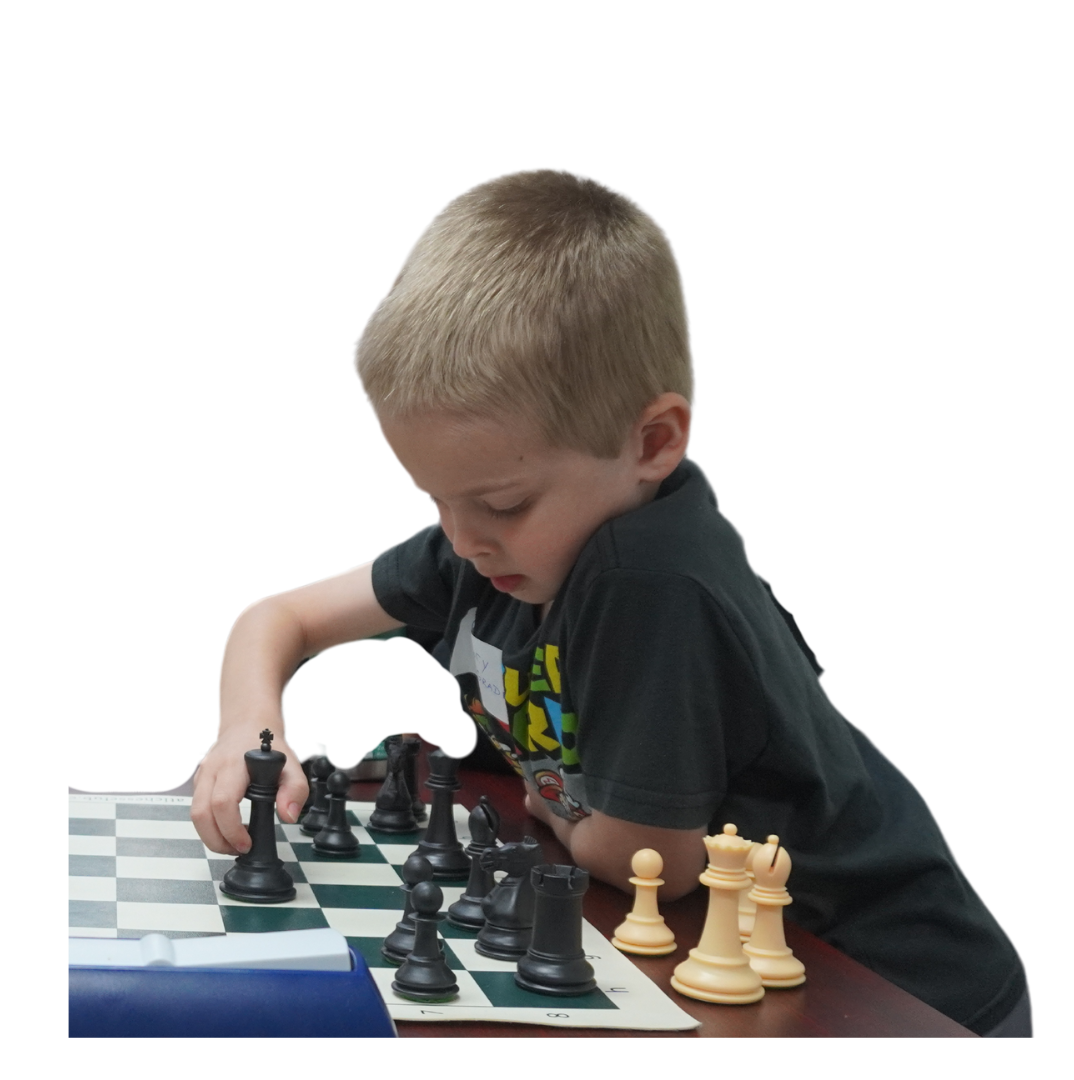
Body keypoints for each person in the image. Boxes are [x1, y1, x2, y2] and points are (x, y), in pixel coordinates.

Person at [193, 167, 1031, 1037]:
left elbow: (645, 859)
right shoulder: (496, 544)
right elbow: (275, 618)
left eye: (503, 502)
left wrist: (549, 798)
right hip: (737, 966)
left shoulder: (648, 579)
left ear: (655, 441)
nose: (465, 539)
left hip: (892, 987)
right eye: (435, 500)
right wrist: (246, 734)